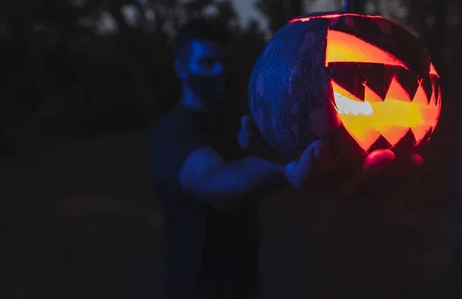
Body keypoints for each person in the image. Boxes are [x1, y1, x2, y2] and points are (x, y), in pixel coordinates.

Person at [149, 18, 412, 299]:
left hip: (244, 282)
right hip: (197, 287)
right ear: (180, 67)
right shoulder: (174, 132)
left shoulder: (239, 120)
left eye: (226, 61)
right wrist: (284, 169)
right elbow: (212, 183)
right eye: (207, 63)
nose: (220, 71)